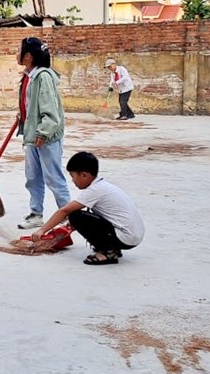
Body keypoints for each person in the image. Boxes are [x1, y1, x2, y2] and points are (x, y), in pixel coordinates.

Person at [30, 151, 145, 266]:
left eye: (73, 176)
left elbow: (65, 210)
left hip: (126, 237)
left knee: (75, 216)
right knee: (79, 217)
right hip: (132, 235)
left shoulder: (94, 190)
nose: (73, 181)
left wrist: (42, 230)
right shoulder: (103, 185)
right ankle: (112, 247)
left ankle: (108, 252)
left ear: (84, 175)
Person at [16, 37, 71, 229]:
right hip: (33, 135)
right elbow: (31, 103)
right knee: (33, 177)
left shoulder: (43, 77)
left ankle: (68, 215)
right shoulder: (29, 76)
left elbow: (50, 111)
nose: (16, 54)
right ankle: (36, 214)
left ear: (28, 56)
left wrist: (43, 133)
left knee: (53, 177)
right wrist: (23, 115)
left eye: (19, 50)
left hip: (46, 137)